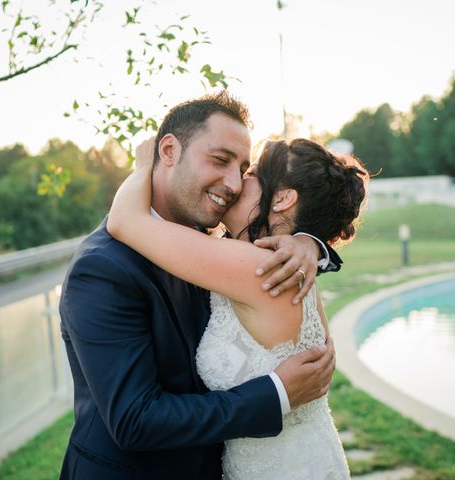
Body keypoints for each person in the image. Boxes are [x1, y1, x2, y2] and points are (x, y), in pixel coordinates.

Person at [58, 92, 339, 480]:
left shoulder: (216, 246)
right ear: (169, 150)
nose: (235, 183)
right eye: (220, 161)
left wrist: (309, 243)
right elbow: (135, 420)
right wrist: (276, 394)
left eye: (243, 168)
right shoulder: (102, 268)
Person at [107, 136, 369, 479]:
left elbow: (124, 221)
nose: (236, 182)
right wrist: (311, 243)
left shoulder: (258, 270)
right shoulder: (291, 263)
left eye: (252, 173)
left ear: (284, 198)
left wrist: (150, 164)